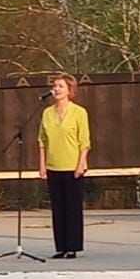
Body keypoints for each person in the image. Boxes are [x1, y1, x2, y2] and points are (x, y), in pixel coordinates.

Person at [38, 74, 92, 259]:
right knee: (58, 208)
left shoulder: (79, 112)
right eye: (55, 86)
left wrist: (80, 165)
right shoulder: (47, 113)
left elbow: (84, 141)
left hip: (72, 165)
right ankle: (60, 246)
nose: (56, 89)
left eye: (60, 86)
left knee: (72, 208)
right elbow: (42, 141)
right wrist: (42, 165)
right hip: (53, 165)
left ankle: (73, 247)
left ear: (70, 90)